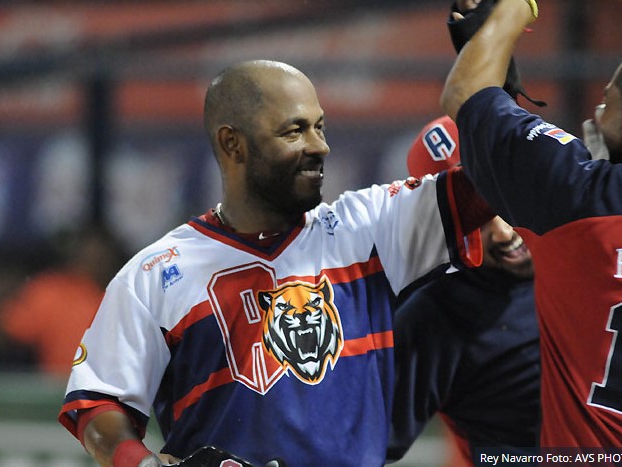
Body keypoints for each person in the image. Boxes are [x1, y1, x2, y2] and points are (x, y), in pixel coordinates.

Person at [58, 59, 496, 467]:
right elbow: (99, 403)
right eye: (294, 131)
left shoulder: (368, 228)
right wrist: (145, 464)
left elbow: (495, 180)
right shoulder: (155, 274)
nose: (319, 146)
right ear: (233, 144)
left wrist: (498, 37)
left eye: (320, 127)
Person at [440, 0, 622, 448]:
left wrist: (514, 9)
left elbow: (466, 95)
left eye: (607, 102)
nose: (596, 115)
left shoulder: (580, 193)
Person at [387, 115, 540, 466]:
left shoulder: (585, 238)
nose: (502, 232)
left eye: (499, 200)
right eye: (472, 216)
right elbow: (360, 446)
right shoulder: (433, 318)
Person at [0, 225, 126, 377]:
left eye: (101, 257)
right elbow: (7, 328)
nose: (95, 261)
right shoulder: (51, 292)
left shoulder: (124, 298)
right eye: (89, 255)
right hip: (54, 391)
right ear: (75, 257)